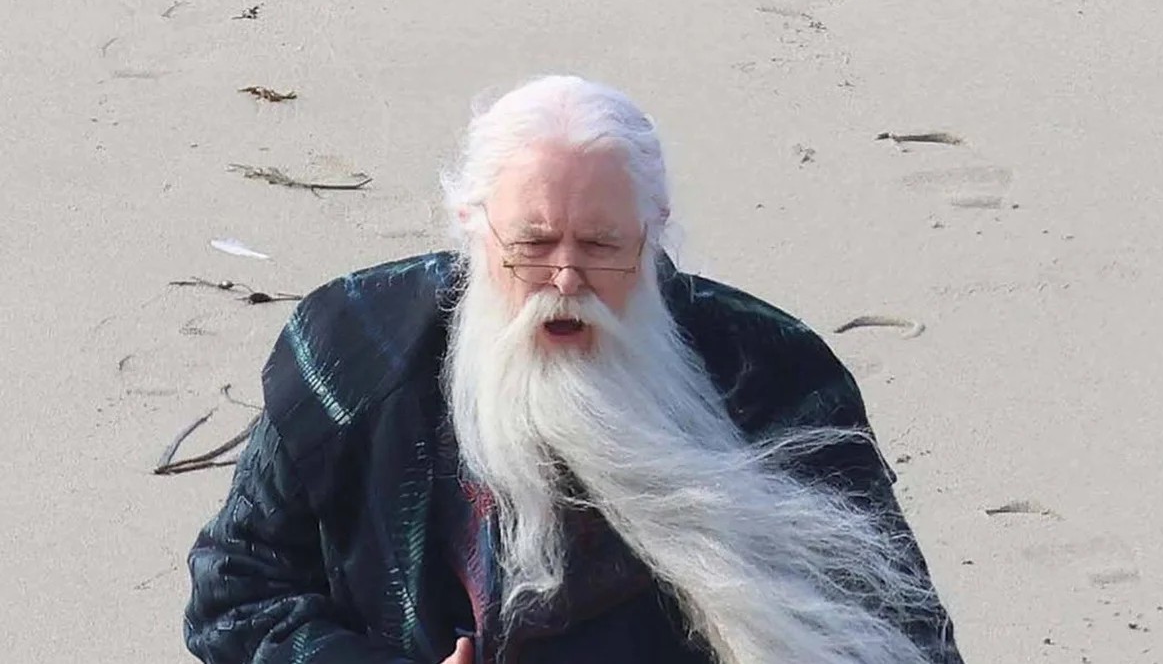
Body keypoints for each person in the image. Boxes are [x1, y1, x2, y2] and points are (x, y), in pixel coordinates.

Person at [183, 74, 964, 664]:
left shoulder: (774, 378)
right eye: (532, 244)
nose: (565, 279)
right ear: (472, 228)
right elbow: (234, 590)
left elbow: (903, 632)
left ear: (653, 236)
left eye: (600, 245)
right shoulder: (350, 354)